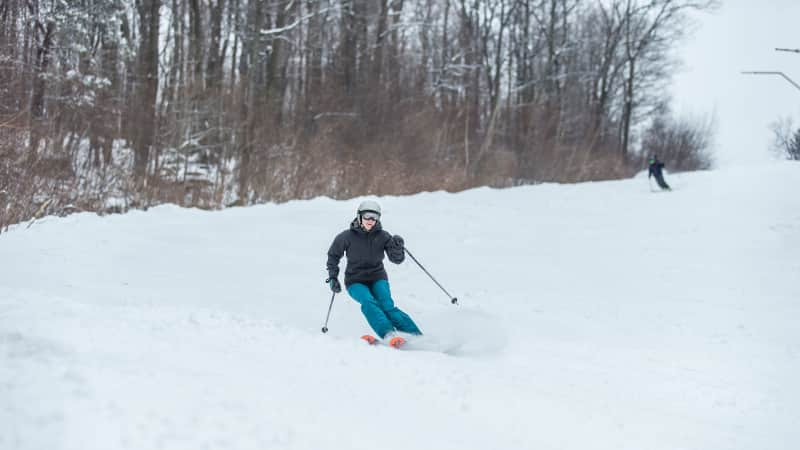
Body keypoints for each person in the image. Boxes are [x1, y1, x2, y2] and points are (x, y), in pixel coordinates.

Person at [326, 200, 422, 348]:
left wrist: (397, 248)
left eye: (374, 217)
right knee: (368, 301)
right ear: (359, 217)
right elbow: (333, 256)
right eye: (367, 216)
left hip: (377, 277)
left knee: (387, 306)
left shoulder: (383, 236)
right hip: (355, 280)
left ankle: (416, 336)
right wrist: (333, 277)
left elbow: (397, 260)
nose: (370, 221)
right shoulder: (346, 237)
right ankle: (389, 334)